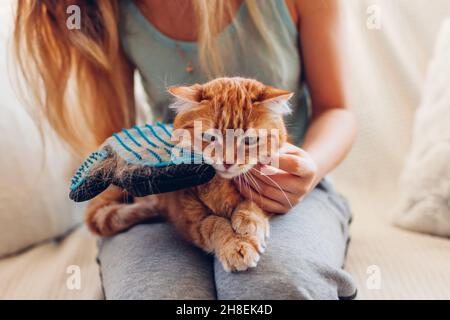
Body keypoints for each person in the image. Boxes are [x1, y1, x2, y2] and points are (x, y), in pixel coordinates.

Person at [14, 0, 357, 299]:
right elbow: (114, 135)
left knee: (273, 287)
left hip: (285, 181)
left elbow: (337, 109)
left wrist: (308, 168)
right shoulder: (105, 9)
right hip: (173, 182)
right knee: (158, 293)